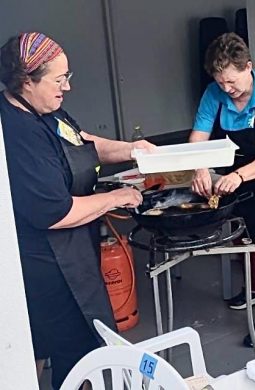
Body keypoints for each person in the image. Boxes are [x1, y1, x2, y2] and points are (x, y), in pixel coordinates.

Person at [0, 32, 154, 388]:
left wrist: (133, 149)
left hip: (76, 250)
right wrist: (118, 197)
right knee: (73, 347)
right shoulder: (18, 133)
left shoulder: (45, 110)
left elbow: (83, 143)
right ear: (26, 81)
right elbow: (56, 213)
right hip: (50, 264)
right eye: (59, 79)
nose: (66, 87)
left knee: (53, 343)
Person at [190, 32, 255, 347]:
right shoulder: (213, 93)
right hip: (233, 175)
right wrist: (199, 167)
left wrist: (238, 175)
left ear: (248, 66)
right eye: (221, 82)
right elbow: (199, 135)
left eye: (232, 82)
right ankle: (253, 289)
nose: (227, 89)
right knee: (240, 237)